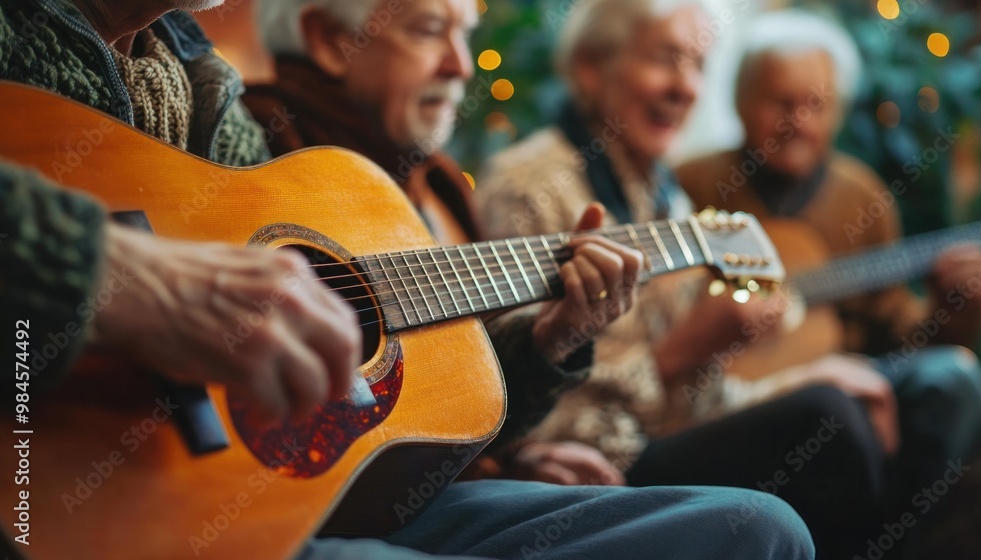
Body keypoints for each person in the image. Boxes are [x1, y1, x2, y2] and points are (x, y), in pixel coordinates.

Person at [0, 1, 815, 559]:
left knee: (759, 528)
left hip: (260, 484)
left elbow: (390, 386)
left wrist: (543, 342)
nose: (459, 64)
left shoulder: (201, 86)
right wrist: (113, 272)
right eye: (431, 29)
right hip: (73, 496)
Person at [472, 1, 920, 559]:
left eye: (698, 65)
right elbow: (504, 403)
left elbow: (699, 395)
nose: (685, 87)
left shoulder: (662, 192)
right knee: (826, 420)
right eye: (665, 59)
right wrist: (679, 355)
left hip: (659, 436)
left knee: (894, 392)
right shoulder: (531, 187)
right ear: (591, 67)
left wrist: (799, 376)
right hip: (595, 464)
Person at [675, 8, 981, 535]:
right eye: (781, 102)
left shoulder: (861, 195)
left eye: (816, 105)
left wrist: (956, 306)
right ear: (740, 99)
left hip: (843, 377)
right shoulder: (692, 184)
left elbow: (901, 333)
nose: (798, 121)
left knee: (951, 380)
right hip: (734, 397)